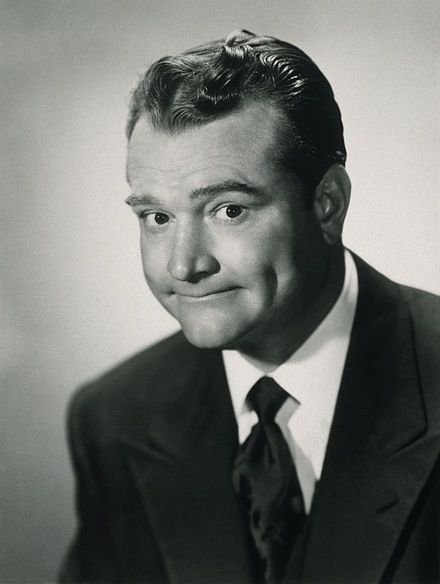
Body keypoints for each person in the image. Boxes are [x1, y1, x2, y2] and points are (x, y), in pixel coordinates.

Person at [59, 29, 440, 584]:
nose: (184, 265)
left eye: (228, 210)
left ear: (327, 204)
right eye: (157, 218)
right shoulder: (115, 419)